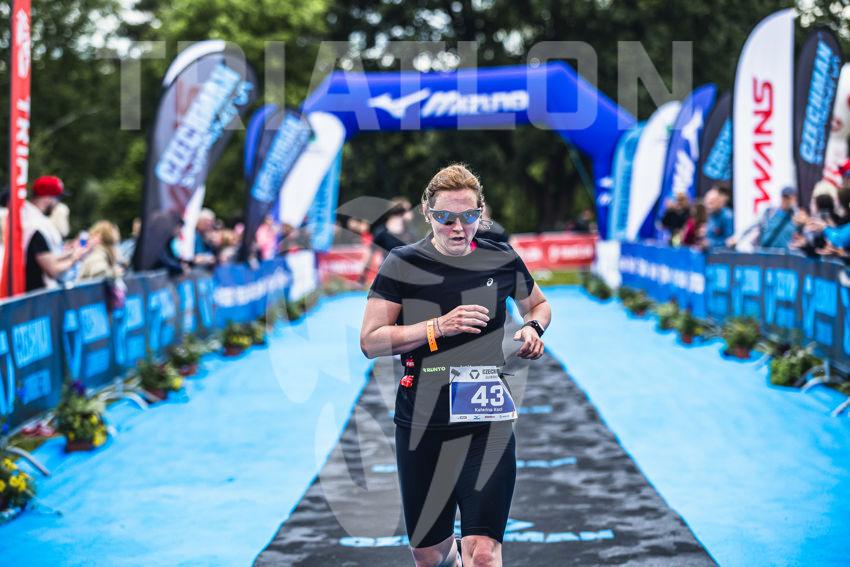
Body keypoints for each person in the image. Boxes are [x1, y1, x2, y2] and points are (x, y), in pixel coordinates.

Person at [360, 164, 551, 567]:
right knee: (428, 556)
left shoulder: (501, 258)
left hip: (486, 418)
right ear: (427, 214)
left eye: (468, 216)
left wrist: (533, 328)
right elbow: (371, 340)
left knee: (482, 552)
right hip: (422, 420)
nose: (458, 227)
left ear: (481, 213)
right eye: (446, 217)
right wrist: (438, 327)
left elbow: (538, 304)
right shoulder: (402, 263)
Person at [23, 176, 90, 292]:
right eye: (58, 198)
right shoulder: (36, 226)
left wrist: (71, 253)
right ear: (47, 198)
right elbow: (52, 270)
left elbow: (46, 256)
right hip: (34, 296)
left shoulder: (27, 218)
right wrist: (75, 257)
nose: (58, 204)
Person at [729, 186, 798, 251]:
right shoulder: (770, 213)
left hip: (786, 256)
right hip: (766, 253)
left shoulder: (797, 217)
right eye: (784, 197)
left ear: (794, 199)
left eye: (789, 198)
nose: (786, 200)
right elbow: (752, 227)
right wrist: (737, 238)